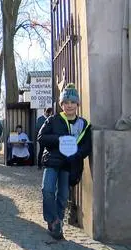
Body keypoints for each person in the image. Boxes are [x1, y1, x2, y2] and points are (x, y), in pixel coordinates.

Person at [38, 83, 91, 240]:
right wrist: (59, 139)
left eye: (72, 102)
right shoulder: (53, 120)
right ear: (61, 104)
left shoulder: (83, 124)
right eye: (66, 102)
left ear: (77, 104)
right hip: (53, 161)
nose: (69, 105)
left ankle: (58, 223)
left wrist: (76, 154)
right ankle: (52, 220)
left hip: (69, 164)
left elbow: (86, 147)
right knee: (47, 190)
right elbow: (41, 138)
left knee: (62, 196)